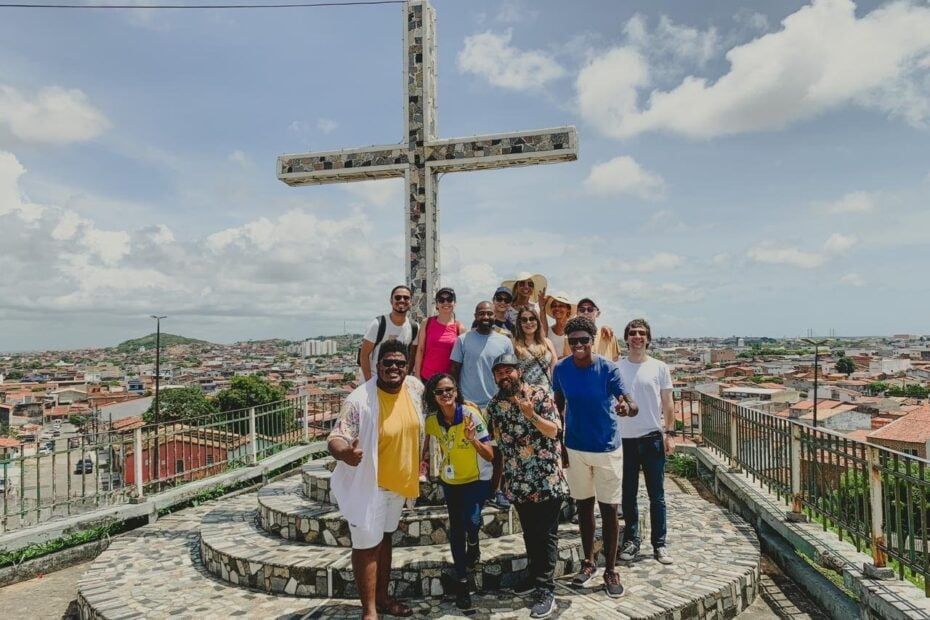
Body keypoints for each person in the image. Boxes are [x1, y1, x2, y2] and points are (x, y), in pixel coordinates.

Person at [327, 339, 424, 620]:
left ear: (407, 366)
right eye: (388, 362)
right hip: (370, 484)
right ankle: (369, 611)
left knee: (384, 540)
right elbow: (336, 437)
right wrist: (345, 453)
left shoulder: (415, 388)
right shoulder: (359, 400)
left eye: (400, 363)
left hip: (399, 483)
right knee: (366, 546)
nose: (394, 367)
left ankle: (382, 598)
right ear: (377, 365)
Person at [552, 315, 637, 598]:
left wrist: (628, 407)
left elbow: (627, 400)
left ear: (593, 341)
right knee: (583, 507)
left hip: (606, 448)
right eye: (573, 341)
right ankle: (588, 562)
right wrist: (561, 442)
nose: (578, 345)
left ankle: (610, 568)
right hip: (575, 446)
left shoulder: (608, 369)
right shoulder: (561, 369)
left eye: (583, 341)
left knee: (609, 509)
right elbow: (558, 405)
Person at [484, 353, 568, 619]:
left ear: (519, 372)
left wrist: (530, 415)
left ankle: (546, 590)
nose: (504, 376)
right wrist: (496, 483)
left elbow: (555, 430)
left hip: (546, 479)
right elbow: (496, 447)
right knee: (530, 533)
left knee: (546, 535)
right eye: (499, 372)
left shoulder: (540, 395)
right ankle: (534, 577)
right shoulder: (495, 405)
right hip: (518, 481)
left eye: (509, 370)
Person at [422, 374, 494, 610]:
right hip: (450, 481)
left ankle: (473, 543)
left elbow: (490, 454)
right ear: (433, 396)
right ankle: (462, 582)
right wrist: (423, 458)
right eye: (440, 392)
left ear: (456, 391)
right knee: (456, 528)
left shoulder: (471, 415)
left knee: (472, 522)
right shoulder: (432, 420)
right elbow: (427, 439)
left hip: (475, 479)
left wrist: (472, 440)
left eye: (449, 390)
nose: (446, 395)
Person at [617, 318, 675, 565]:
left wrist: (669, 434)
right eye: (632, 333)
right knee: (628, 495)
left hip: (652, 438)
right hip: (625, 439)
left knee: (657, 495)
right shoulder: (616, 367)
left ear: (648, 339)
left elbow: (668, 402)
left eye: (641, 333)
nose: (637, 337)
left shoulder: (659, 367)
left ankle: (659, 544)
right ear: (626, 338)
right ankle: (631, 541)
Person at [450, 302, 514, 509]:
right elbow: (455, 371)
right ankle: (472, 490)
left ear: (494, 315)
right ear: (475, 315)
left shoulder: (504, 341)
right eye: (482, 313)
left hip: (497, 403)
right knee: (472, 449)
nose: (486, 316)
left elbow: (510, 373)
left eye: (489, 313)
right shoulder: (462, 340)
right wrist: (457, 401)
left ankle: (497, 491)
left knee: (498, 451)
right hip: (470, 405)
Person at [359, 285, 419, 381]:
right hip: (374, 379)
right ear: (391, 301)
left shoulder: (414, 327)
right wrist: (369, 382)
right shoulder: (378, 324)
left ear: (411, 302)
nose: (402, 300)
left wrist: (404, 378)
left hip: (396, 382)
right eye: (398, 297)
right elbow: (364, 355)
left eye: (406, 298)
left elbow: (412, 357)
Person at [413, 287, 466, 381]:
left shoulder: (460, 327)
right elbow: (420, 349)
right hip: (426, 378)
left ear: (455, 303)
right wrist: (417, 375)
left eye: (449, 299)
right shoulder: (427, 322)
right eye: (441, 300)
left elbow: (462, 358)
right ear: (437, 304)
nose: (445, 303)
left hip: (448, 381)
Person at [512, 305, 558, 392]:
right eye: (524, 320)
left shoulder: (547, 342)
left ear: (537, 321)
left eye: (532, 318)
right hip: (526, 396)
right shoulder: (514, 344)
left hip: (547, 395)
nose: (528, 322)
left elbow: (554, 371)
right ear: (519, 323)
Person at [575, 297, 619, 362]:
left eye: (590, 309)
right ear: (577, 313)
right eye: (582, 310)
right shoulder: (569, 338)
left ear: (598, 314)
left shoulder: (609, 336)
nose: (586, 312)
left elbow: (615, 362)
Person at [539, 292, 575, 359]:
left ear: (568, 309)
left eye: (561, 306)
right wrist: (542, 307)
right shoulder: (548, 331)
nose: (557, 308)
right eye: (554, 306)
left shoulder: (574, 330)